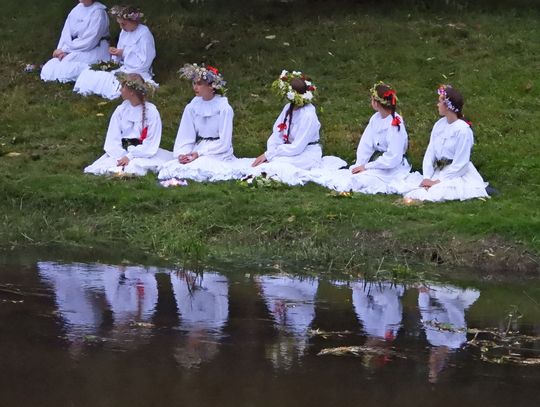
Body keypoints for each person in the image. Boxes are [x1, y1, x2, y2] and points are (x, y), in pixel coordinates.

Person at [403, 85, 489, 201]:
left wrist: (439, 181)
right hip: (438, 170)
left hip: (455, 174)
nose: (437, 105)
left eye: (440, 102)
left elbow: (461, 163)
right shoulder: (439, 125)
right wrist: (427, 177)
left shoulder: (463, 130)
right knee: (416, 189)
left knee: (436, 192)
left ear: (448, 106)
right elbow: (430, 152)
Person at [158, 63, 239, 182]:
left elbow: (225, 142)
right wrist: (183, 153)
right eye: (194, 83)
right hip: (199, 146)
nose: (195, 87)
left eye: (200, 84)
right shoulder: (193, 106)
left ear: (212, 86)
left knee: (202, 165)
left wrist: (199, 153)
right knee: (177, 166)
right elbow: (186, 134)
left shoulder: (223, 108)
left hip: (217, 150)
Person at [84, 73, 172, 176]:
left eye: (122, 87)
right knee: (109, 165)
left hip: (142, 152)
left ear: (131, 92)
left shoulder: (151, 112)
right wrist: (121, 155)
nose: (120, 90)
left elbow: (151, 142)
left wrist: (130, 156)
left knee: (135, 166)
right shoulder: (121, 110)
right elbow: (113, 137)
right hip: (122, 151)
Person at [74, 5, 156, 99]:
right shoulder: (124, 32)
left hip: (137, 71)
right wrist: (115, 54)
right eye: (120, 24)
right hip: (123, 67)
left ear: (133, 21)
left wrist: (123, 53)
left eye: (123, 24)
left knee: (115, 81)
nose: (121, 27)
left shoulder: (144, 34)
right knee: (90, 72)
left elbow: (145, 60)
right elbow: (120, 52)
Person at [348, 82, 411, 193]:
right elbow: (366, 144)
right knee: (353, 175)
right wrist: (360, 164)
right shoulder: (375, 118)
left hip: (392, 167)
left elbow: (393, 157)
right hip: (376, 163)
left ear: (377, 103)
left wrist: (368, 166)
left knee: (360, 181)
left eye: (372, 99)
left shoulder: (395, 123)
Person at [252, 70, 322, 171]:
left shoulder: (308, 115)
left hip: (306, 152)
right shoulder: (288, 107)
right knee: (271, 161)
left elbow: (298, 147)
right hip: (289, 150)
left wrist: (271, 154)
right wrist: (271, 151)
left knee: (276, 164)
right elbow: (277, 133)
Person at [40, 0, 110, 83]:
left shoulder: (98, 13)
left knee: (67, 61)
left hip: (93, 49)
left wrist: (66, 50)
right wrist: (60, 49)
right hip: (74, 47)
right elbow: (66, 33)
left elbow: (90, 41)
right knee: (56, 62)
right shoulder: (77, 9)